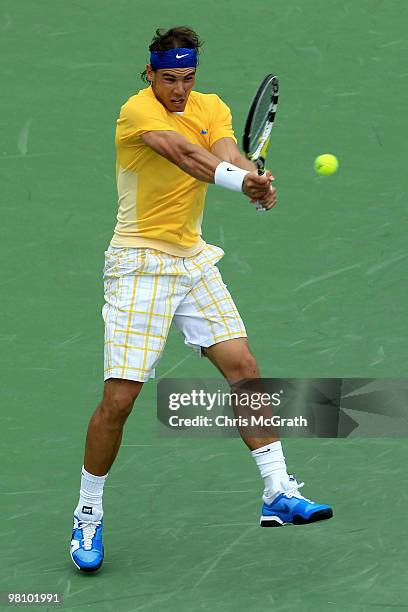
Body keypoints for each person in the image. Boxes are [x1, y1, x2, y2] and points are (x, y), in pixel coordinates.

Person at [70, 26, 333, 573]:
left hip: (191, 261)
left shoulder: (209, 105)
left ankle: (277, 490)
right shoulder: (137, 112)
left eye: (187, 77)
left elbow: (224, 152)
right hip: (139, 263)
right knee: (119, 401)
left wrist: (252, 180)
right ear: (150, 74)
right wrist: (241, 183)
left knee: (245, 369)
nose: (180, 89)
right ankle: (87, 514)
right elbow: (185, 156)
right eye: (169, 78)